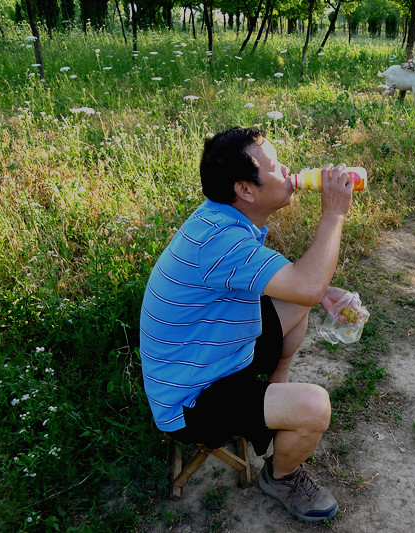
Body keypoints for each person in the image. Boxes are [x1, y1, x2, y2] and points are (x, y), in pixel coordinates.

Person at [139, 127, 356, 522]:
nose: (288, 169)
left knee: (297, 300)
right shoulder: (219, 241)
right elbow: (305, 283)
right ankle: (281, 476)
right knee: (315, 407)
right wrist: (334, 213)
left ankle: (273, 392)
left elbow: (301, 287)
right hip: (192, 397)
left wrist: (318, 291)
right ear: (247, 190)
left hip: (212, 353)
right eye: (274, 166)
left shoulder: (222, 219)